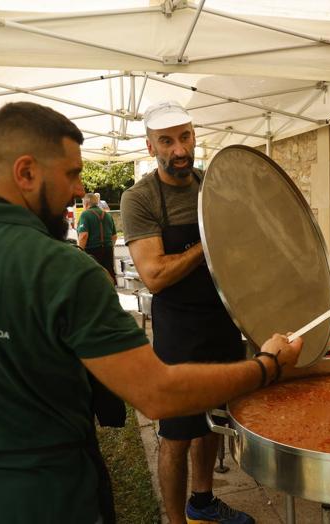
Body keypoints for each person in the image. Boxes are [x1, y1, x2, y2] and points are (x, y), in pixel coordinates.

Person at [0, 101, 302, 524]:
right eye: (71, 175)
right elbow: (156, 394)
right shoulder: (65, 270)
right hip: (47, 502)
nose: (80, 192)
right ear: (26, 172)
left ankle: (203, 501)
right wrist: (267, 366)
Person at [120, 101, 251, 524]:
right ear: (150, 145)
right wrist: (206, 243)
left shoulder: (214, 185)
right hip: (178, 328)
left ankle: (204, 500)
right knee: (176, 433)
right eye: (167, 141)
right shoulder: (140, 198)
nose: (179, 149)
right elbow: (154, 275)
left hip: (223, 320)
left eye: (186, 136)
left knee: (211, 421)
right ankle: (176, 521)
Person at [78, 192, 117, 283]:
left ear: (86, 203)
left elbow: (83, 236)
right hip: (108, 250)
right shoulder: (107, 215)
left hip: (92, 252)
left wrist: (80, 251)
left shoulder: (85, 214)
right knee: (108, 278)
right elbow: (114, 236)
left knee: (93, 279)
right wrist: (109, 247)